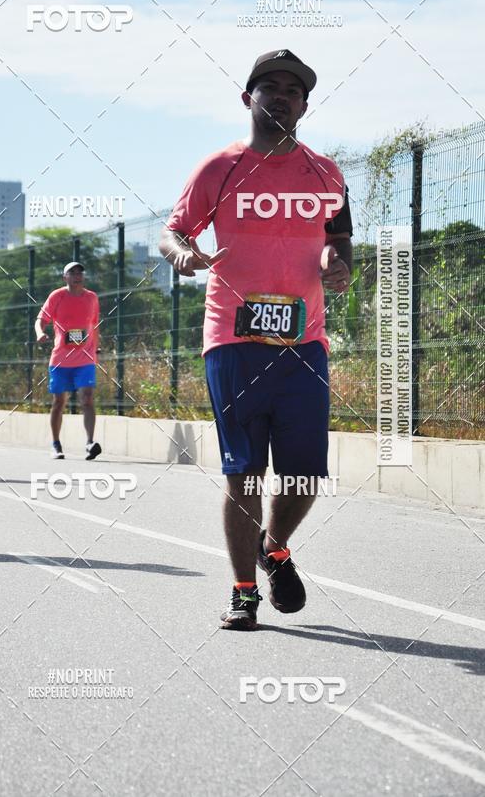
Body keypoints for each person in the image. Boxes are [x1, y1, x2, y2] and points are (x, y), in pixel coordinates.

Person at [159, 49, 353, 630]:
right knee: (244, 471)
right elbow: (171, 233)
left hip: (305, 342)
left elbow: (339, 238)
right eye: (269, 87)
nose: (281, 97)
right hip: (232, 339)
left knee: (303, 476)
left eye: (292, 91)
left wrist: (338, 263)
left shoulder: (325, 173)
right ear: (249, 99)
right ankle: (244, 591)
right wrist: (184, 255)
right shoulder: (219, 168)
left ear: (305, 105)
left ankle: (273, 547)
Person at [35, 261, 101, 460]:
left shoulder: (91, 298)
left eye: (80, 272)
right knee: (58, 402)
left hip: (85, 358)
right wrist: (40, 333)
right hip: (61, 359)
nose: (77, 275)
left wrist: (95, 348)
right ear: (65, 277)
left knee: (87, 398)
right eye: (72, 272)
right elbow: (41, 319)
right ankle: (56, 444)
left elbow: (94, 325)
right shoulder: (57, 296)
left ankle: (90, 443)